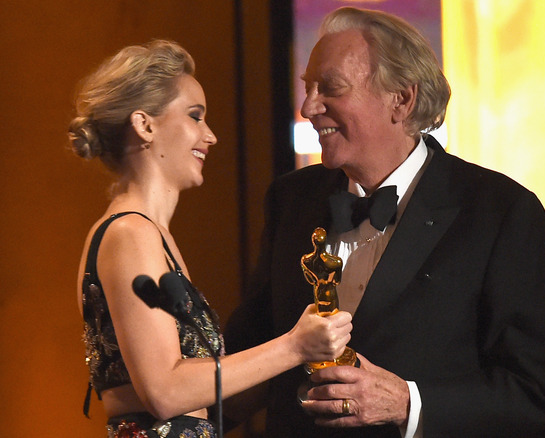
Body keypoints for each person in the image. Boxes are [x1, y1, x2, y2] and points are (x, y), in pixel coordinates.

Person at [225, 7, 545, 437]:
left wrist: (407, 402)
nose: (309, 106)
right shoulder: (290, 198)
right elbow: (249, 354)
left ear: (401, 99)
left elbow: (533, 391)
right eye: (308, 88)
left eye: (330, 88)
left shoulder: (499, 211)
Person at [68, 40, 353, 438]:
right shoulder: (130, 233)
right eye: (195, 116)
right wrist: (294, 347)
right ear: (145, 125)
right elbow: (165, 392)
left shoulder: (149, 234)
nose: (211, 136)